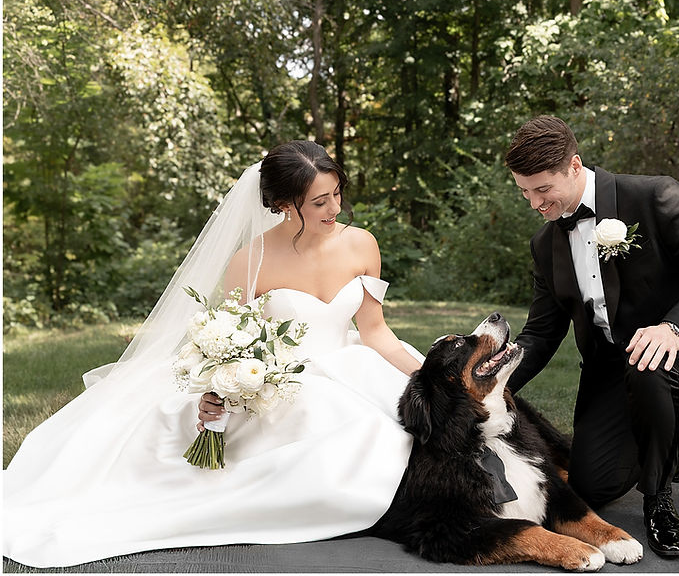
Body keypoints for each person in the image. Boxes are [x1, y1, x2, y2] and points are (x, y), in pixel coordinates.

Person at [3, 140, 424, 568]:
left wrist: (430, 375)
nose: (334, 208)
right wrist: (222, 389)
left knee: (404, 422)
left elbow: (375, 332)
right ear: (282, 204)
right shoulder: (251, 259)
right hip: (281, 377)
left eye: (336, 194)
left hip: (353, 364)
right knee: (355, 429)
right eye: (319, 201)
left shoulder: (362, 244)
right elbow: (232, 342)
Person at [504, 116, 679, 559]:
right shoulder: (546, 244)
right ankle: (671, 425)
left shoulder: (654, 196)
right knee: (592, 486)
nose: (535, 203)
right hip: (609, 372)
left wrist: (673, 327)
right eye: (524, 191)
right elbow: (540, 333)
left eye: (542, 190)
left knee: (651, 365)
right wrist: (489, 382)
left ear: (574, 166)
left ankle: (660, 497)